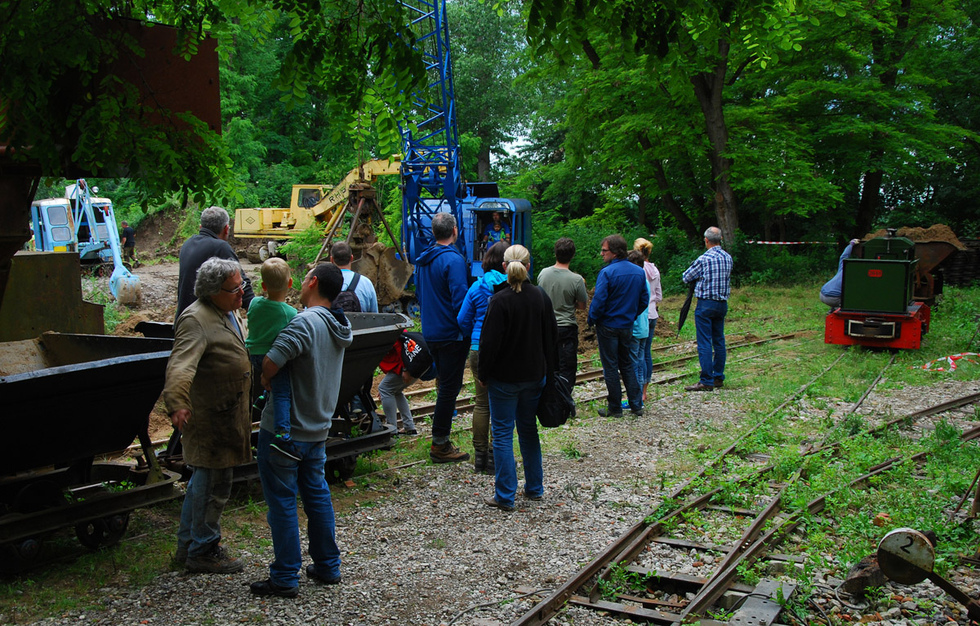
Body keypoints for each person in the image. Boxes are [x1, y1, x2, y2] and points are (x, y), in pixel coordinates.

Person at [250, 262, 352, 598]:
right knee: (317, 496)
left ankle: (284, 576)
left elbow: (271, 362)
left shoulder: (305, 322)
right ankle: (328, 565)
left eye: (306, 276)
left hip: (286, 431)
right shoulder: (339, 324)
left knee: (282, 502)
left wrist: (265, 375)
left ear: (312, 282)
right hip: (317, 428)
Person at [163, 257, 252, 574]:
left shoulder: (228, 310)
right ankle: (203, 549)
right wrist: (177, 402)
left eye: (242, 285)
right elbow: (180, 365)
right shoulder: (196, 320)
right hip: (210, 417)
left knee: (207, 482)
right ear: (213, 291)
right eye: (235, 289)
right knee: (212, 485)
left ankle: (189, 545)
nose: (242, 293)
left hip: (227, 413)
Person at [479, 245, 558, 512]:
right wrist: (550, 371)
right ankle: (534, 488)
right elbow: (551, 338)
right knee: (528, 430)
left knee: (502, 434)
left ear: (504, 267)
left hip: (504, 379)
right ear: (528, 266)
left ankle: (505, 495)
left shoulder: (499, 300)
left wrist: (483, 374)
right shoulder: (540, 297)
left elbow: (488, 343)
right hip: (534, 376)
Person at [415, 212, 470, 463]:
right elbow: (461, 301)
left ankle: (441, 439)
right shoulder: (453, 260)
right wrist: (467, 330)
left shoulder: (423, 260)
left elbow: (420, 295)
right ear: (455, 231)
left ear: (434, 232)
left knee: (445, 386)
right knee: (449, 388)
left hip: (431, 332)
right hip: (450, 334)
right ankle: (440, 444)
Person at [457, 241, 509, 474]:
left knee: (481, 403)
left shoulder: (477, 287)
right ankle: (497, 456)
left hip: (479, 349)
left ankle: (480, 457)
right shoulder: (511, 286)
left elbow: (462, 319)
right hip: (504, 350)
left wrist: (475, 336)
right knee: (503, 403)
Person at [587, 234, 647, 417]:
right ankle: (636, 404)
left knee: (611, 366)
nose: (601, 253)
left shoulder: (607, 273)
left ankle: (615, 407)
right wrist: (631, 314)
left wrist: (592, 319)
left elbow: (599, 301)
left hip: (608, 325)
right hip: (626, 325)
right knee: (627, 363)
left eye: (604, 250)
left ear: (614, 252)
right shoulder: (639, 272)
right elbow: (644, 300)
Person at [246, 257, 299, 461]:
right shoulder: (289, 313)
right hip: (273, 358)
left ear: (263, 285)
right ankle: (282, 433)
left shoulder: (254, 303)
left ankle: (261, 399)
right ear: (290, 283)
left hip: (254, 356)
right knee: (282, 393)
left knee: (272, 382)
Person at [176, 206, 254, 322]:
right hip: (206, 319)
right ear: (226, 229)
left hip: (184, 315)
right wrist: (255, 310)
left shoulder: (188, 244)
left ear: (201, 227)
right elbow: (240, 282)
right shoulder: (220, 247)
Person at [682, 226, 734, 392]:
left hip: (706, 303)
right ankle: (718, 376)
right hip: (722, 303)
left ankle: (706, 380)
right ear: (721, 239)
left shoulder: (704, 259)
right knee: (719, 340)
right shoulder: (728, 258)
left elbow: (686, 277)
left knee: (704, 342)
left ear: (706, 240)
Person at [537, 237, 588, 386]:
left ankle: (549, 396)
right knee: (567, 369)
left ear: (555, 253)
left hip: (546, 326)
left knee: (548, 366)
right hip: (566, 328)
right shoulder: (577, 279)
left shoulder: (543, 274)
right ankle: (564, 397)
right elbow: (582, 306)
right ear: (572, 255)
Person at [377, 331, 432, 437]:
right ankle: (409, 427)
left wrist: (406, 369)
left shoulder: (385, 332)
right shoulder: (393, 327)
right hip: (417, 363)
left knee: (384, 389)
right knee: (396, 391)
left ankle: (391, 430)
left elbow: (398, 346)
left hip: (407, 367)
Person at [633, 237, 662, 401]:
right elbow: (659, 295)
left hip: (641, 316)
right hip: (653, 314)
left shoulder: (638, 270)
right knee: (646, 353)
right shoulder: (655, 270)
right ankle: (644, 391)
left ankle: (637, 392)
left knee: (637, 354)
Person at [626, 250, 650, 411]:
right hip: (644, 328)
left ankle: (635, 399)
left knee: (633, 364)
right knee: (640, 362)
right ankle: (639, 395)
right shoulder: (645, 280)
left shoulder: (636, 282)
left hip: (635, 329)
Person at [330, 241, 379, 312]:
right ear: (352, 258)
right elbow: (375, 315)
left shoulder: (323, 283)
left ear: (331, 259)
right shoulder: (366, 283)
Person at [820, 239, 861, 308]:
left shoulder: (844, 267)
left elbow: (844, 256)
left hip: (822, 293)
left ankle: (833, 308)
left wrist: (851, 245)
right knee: (854, 302)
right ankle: (837, 309)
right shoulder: (855, 275)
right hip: (832, 298)